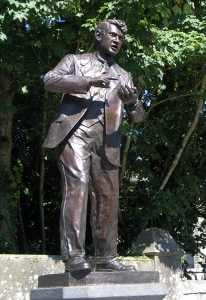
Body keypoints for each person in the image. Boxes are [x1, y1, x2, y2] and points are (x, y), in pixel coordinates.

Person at [43, 19, 145, 273]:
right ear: (98, 35)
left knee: (108, 196)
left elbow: (139, 117)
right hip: (75, 133)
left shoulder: (123, 75)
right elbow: (49, 81)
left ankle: (106, 257)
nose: (116, 40)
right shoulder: (76, 61)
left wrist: (133, 104)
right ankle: (74, 255)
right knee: (77, 185)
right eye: (112, 35)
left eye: (120, 38)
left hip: (108, 141)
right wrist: (86, 81)